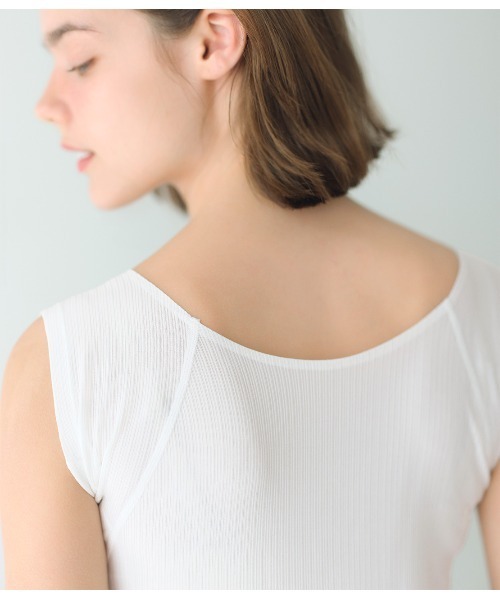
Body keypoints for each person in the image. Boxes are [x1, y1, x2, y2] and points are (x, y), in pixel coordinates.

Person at [1, 9, 499, 590]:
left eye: (80, 61)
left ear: (214, 42)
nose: (46, 104)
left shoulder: (72, 363)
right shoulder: (482, 312)